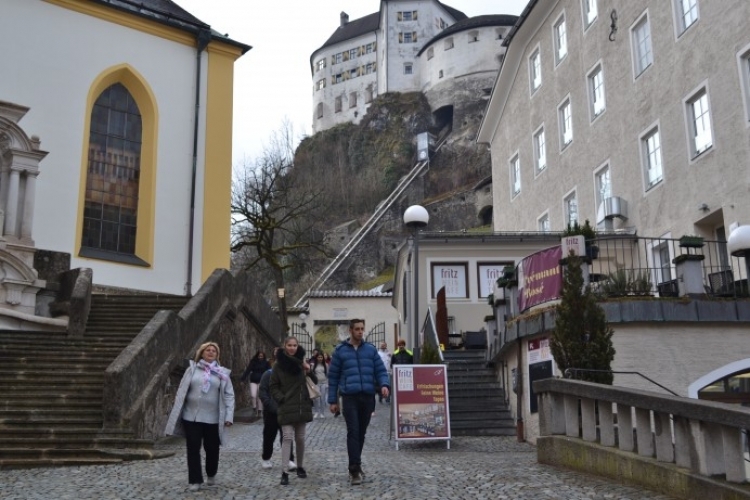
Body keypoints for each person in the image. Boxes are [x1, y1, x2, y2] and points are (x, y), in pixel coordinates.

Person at [165, 342, 235, 492]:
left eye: (214, 351)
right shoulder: (192, 370)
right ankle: (195, 480)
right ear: (202, 353)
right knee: (193, 448)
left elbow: (229, 395)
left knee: (212, 449)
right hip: (192, 416)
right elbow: (182, 390)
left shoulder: (222, 373)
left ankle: (211, 473)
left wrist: (229, 416)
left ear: (217, 355)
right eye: (207, 350)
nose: (210, 352)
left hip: (213, 418)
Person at [328, 319, 389, 485]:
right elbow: (333, 377)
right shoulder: (340, 351)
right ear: (350, 330)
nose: (360, 332)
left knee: (361, 432)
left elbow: (380, 370)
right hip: (349, 397)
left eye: (362, 329)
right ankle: (354, 470)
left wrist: (384, 384)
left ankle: (357, 463)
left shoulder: (370, 350)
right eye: (357, 329)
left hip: (368, 396)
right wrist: (333, 400)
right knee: (353, 431)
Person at [270, 337, 316, 485]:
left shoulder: (302, 363)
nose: (292, 348)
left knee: (300, 438)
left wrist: (308, 370)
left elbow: (314, 382)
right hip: (286, 406)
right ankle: (284, 471)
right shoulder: (278, 365)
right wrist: (281, 399)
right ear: (284, 346)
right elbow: (273, 386)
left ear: (298, 346)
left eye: (294, 345)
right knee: (287, 437)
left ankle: (300, 466)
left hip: (301, 405)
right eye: (289, 345)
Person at [258, 347, 296, 471]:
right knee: (269, 436)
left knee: (287, 436)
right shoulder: (268, 374)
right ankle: (266, 458)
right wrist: (269, 404)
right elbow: (262, 391)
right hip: (271, 412)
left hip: (286, 410)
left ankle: (289, 459)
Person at [240, 350, 270, 417]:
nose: (260, 357)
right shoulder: (253, 362)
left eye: (262, 356)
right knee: (253, 395)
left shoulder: (266, 363)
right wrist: (242, 379)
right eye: (259, 356)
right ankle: (254, 407)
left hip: (262, 381)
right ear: (257, 356)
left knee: (260, 395)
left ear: (264, 356)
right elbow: (248, 370)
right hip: (253, 380)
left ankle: (260, 410)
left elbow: (268, 371)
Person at [311, 352, 328, 418]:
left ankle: (322, 413)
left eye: (321, 357)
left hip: (323, 383)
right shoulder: (313, 365)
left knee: (322, 398)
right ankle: (316, 411)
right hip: (316, 384)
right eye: (319, 357)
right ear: (316, 358)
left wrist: (327, 383)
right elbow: (311, 375)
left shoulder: (326, 365)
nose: (320, 358)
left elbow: (327, 375)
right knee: (316, 398)